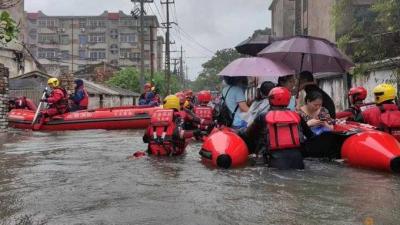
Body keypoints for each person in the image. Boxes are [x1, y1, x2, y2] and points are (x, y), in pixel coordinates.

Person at [241, 87, 314, 170]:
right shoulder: (297, 117)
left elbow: (247, 134)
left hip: (275, 163)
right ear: (288, 100)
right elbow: (310, 135)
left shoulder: (263, 117)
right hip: (298, 162)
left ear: (270, 100)